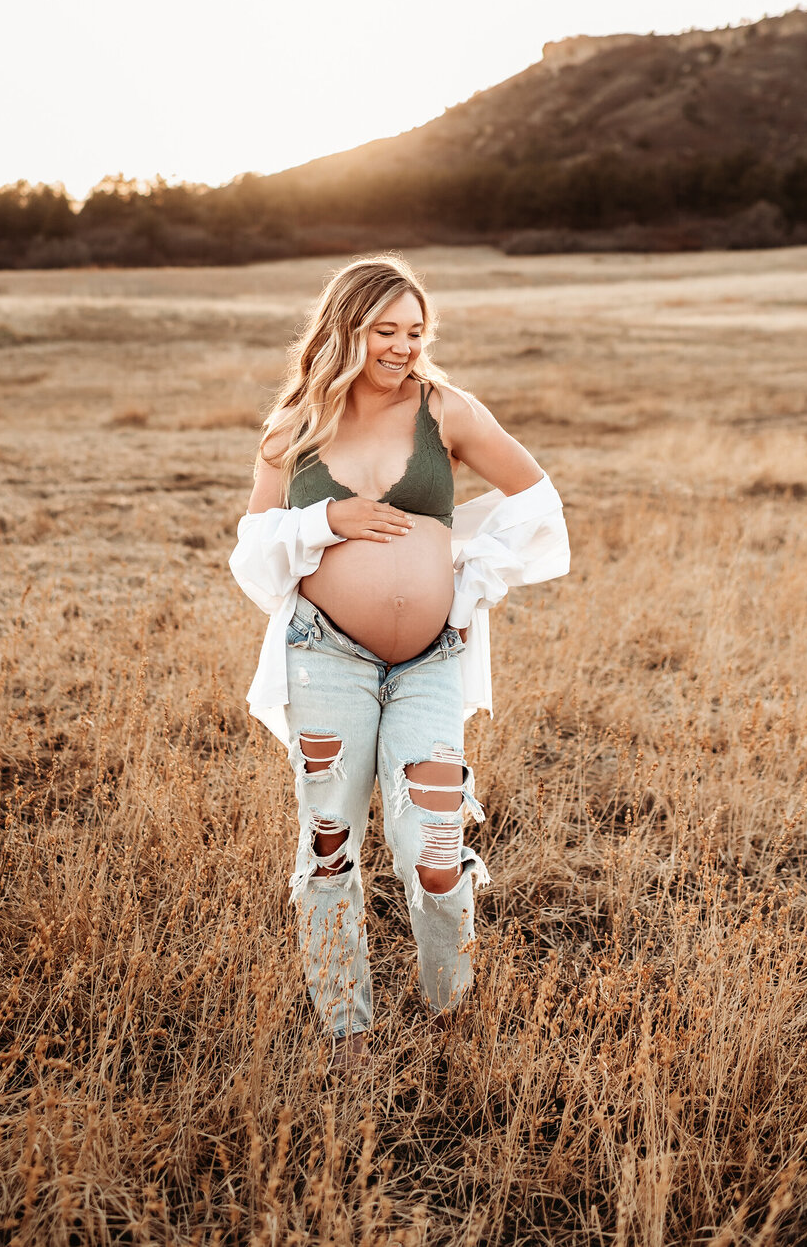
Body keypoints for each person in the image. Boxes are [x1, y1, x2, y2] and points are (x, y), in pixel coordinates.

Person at [229, 255, 569, 1069]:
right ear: (345, 328)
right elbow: (251, 552)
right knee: (330, 842)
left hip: (430, 662)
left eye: (416, 331)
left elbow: (538, 501)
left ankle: (449, 1012)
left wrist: (467, 575)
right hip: (325, 657)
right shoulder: (295, 426)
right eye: (386, 331)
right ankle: (346, 1026)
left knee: (436, 852)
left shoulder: (446, 411)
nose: (404, 346)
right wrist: (327, 522)